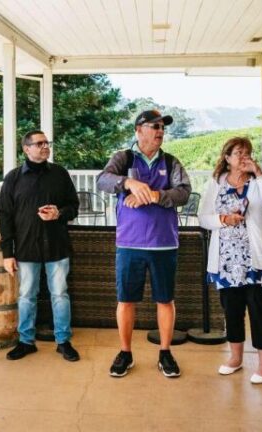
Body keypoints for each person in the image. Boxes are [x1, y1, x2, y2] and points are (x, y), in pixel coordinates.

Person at [96, 109, 192, 378]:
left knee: (165, 300)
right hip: (129, 244)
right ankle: (125, 352)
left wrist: (152, 195)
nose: (160, 131)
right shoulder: (123, 158)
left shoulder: (171, 162)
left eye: (162, 127)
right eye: (154, 126)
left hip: (164, 244)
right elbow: (102, 180)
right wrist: (128, 182)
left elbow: (184, 192)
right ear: (139, 130)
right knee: (126, 300)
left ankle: (165, 352)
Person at [199, 137, 262, 384]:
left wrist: (259, 172)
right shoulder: (216, 182)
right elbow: (203, 217)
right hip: (226, 261)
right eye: (237, 153)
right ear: (227, 158)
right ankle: (235, 358)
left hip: (255, 260)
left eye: (247, 152)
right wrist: (223, 220)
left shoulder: (259, 181)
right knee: (231, 311)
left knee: (259, 311)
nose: (243, 156)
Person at [0, 130, 81, 362]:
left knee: (60, 295)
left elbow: (74, 206)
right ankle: (26, 342)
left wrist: (59, 213)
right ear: (26, 149)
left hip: (57, 246)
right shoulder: (13, 178)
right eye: (40, 143)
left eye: (47, 143)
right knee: (26, 296)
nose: (45, 146)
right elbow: (4, 216)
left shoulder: (60, 174)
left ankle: (63, 341)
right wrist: (7, 253)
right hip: (25, 248)